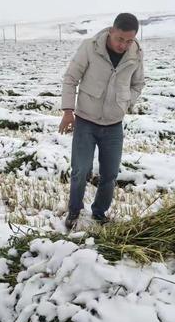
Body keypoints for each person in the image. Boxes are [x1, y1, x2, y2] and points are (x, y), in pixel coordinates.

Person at [59, 13, 144, 228]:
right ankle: (74, 211)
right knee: (81, 170)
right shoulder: (90, 46)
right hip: (86, 121)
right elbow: (71, 79)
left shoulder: (136, 54)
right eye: (120, 39)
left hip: (114, 124)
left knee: (110, 174)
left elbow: (138, 84)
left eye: (129, 40)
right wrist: (68, 111)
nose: (123, 45)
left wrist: (125, 103)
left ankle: (99, 212)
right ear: (111, 31)